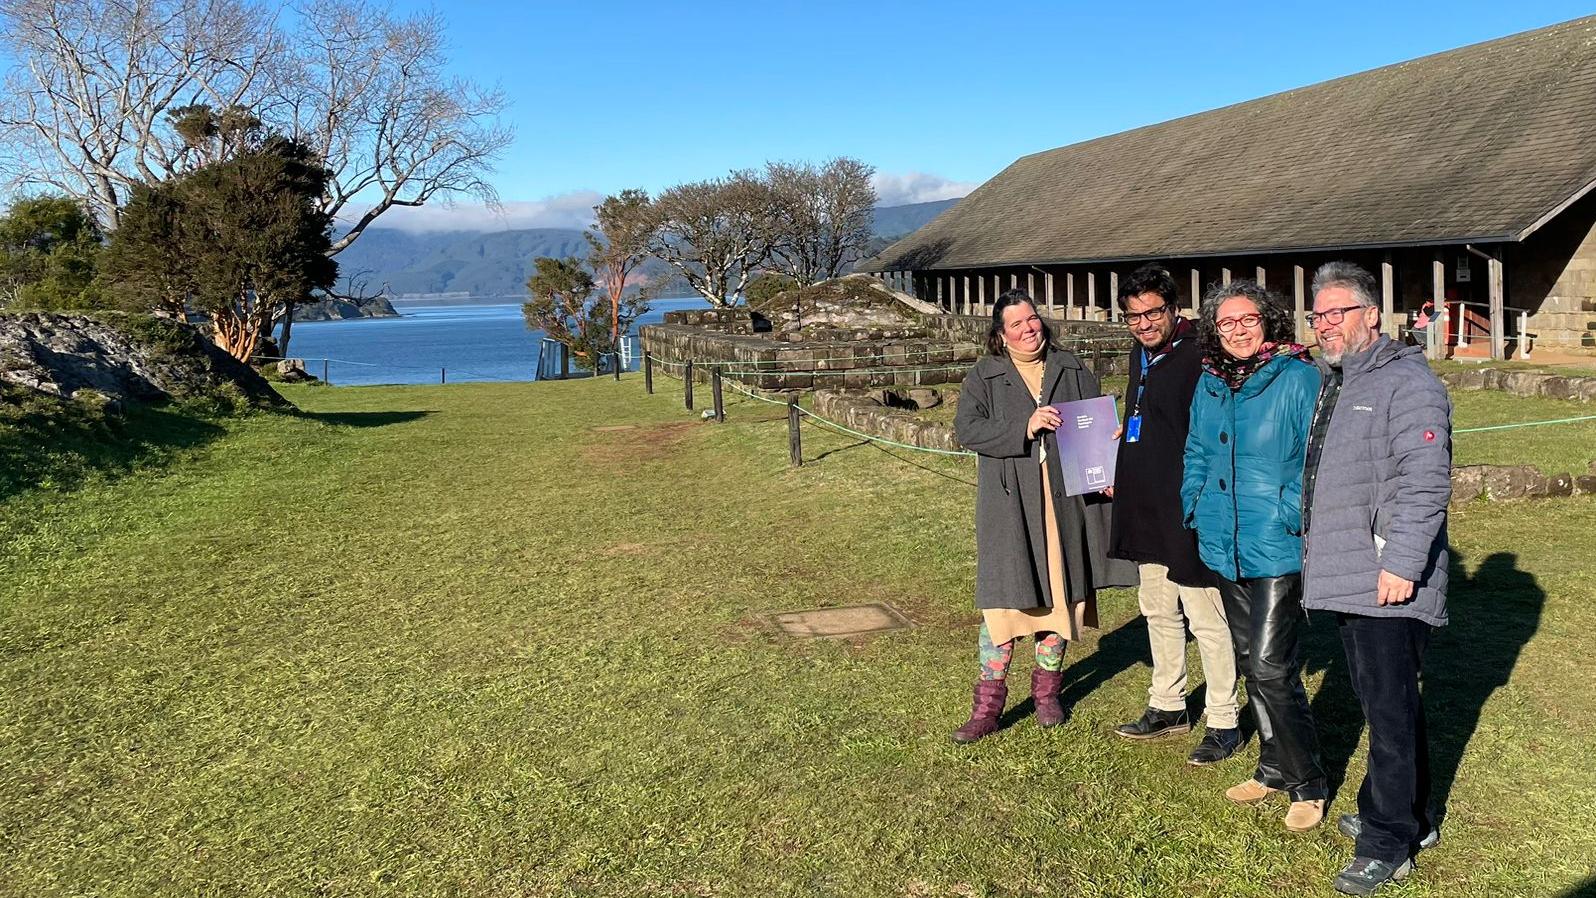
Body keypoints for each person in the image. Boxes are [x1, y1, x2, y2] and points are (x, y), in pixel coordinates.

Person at [1302, 262, 1451, 896]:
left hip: (1384, 574)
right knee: (1384, 702)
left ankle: (1388, 840)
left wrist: (1401, 561)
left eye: (1338, 312)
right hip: (1349, 568)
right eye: (1318, 315)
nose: (1325, 324)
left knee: (1388, 712)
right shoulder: (1339, 381)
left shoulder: (1407, 383)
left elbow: (1425, 481)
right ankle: (1407, 813)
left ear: (1372, 315)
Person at [951, 290, 1135, 743]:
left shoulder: (1070, 367)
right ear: (1000, 334)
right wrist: (1024, 426)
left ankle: (1047, 694)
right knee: (1004, 604)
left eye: (1032, 319)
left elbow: (1092, 427)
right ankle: (987, 706)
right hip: (1011, 505)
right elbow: (967, 430)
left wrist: (1107, 457)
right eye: (1017, 324)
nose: (1029, 328)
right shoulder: (985, 375)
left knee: (1059, 597)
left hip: (1063, 504)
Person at [1182, 279, 1327, 831]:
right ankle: (1272, 766)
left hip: (1276, 542)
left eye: (1248, 320)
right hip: (1223, 539)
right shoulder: (1211, 382)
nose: (1238, 331)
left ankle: (1308, 779)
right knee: (1249, 661)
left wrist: (1292, 509)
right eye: (1227, 323)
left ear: (1269, 321)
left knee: (1271, 666)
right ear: (1213, 331)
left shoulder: (1298, 377)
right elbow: (1197, 448)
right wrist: (1193, 502)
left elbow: (1317, 456)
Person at [1107, 265, 1241, 766]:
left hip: (1187, 507)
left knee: (1205, 614)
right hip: (1145, 503)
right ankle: (1168, 704)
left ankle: (1224, 718)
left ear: (1173, 309)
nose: (1143, 324)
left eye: (1152, 313)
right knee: (1158, 608)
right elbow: (1146, 421)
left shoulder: (1198, 356)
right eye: (1133, 316)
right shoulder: (1140, 354)